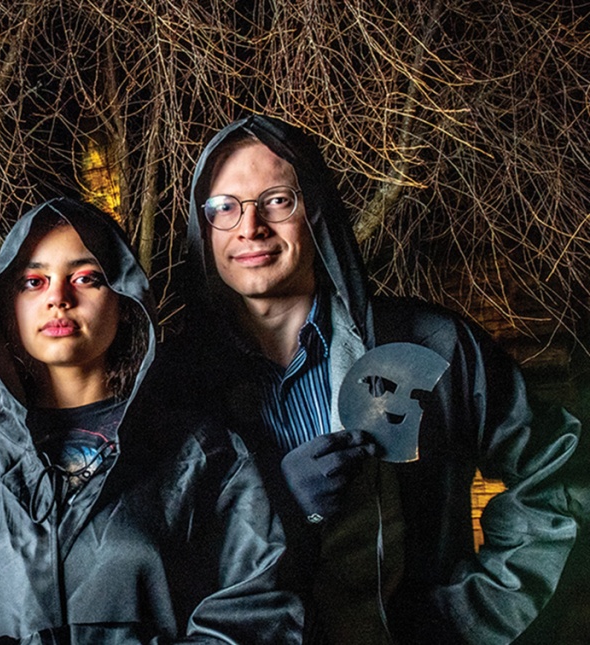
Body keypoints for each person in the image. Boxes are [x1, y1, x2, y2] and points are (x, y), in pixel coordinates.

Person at [167, 114, 586, 643]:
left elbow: (557, 473)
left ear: (317, 211)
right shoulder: (173, 387)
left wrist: (473, 616)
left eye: (277, 200)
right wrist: (277, 507)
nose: (250, 227)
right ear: (203, 227)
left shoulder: (429, 346)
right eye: (225, 207)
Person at [0, 198, 303, 643]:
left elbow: (255, 611)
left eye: (86, 278)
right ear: (7, 307)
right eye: (34, 282)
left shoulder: (201, 454)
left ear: (124, 298)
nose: (58, 299)